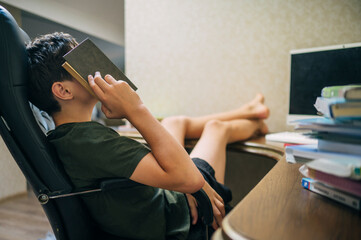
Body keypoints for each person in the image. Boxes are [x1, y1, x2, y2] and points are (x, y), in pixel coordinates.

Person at [26, 32, 269, 240]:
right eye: (81, 64)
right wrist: (135, 109)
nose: (93, 69)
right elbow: (189, 179)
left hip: (167, 198)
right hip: (180, 220)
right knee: (217, 128)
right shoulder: (87, 141)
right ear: (63, 90)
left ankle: (248, 111)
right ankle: (257, 125)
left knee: (174, 122)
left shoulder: (72, 137)